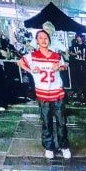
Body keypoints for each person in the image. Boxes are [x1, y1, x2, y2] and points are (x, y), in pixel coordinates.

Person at [18, 29, 71, 158]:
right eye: (40, 38)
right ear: (37, 41)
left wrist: (59, 68)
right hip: (42, 95)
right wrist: (31, 70)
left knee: (61, 122)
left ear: (49, 40)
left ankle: (64, 146)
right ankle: (49, 147)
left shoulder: (56, 56)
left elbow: (65, 66)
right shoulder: (32, 56)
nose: (43, 40)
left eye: (46, 38)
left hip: (57, 93)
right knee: (46, 122)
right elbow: (20, 62)